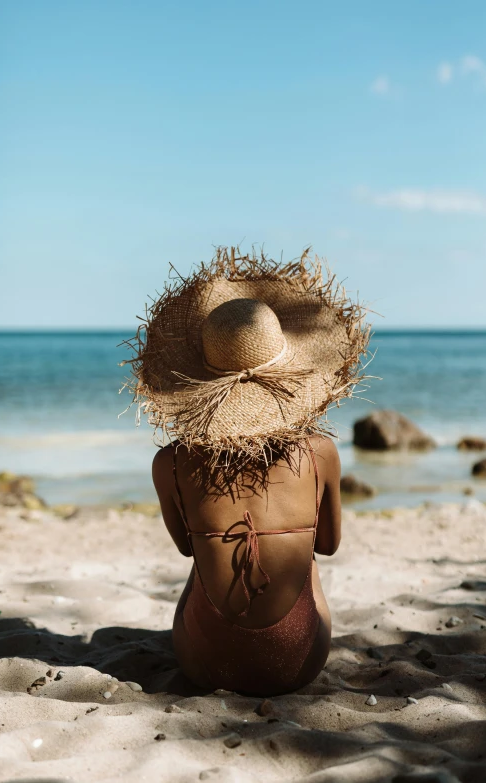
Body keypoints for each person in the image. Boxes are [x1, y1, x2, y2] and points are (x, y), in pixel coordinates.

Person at [122, 247, 370, 695]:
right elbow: (330, 545)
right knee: (306, 552)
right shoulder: (321, 453)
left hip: (207, 664)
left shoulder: (171, 462)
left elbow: (184, 549)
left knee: (203, 556)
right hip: (301, 658)